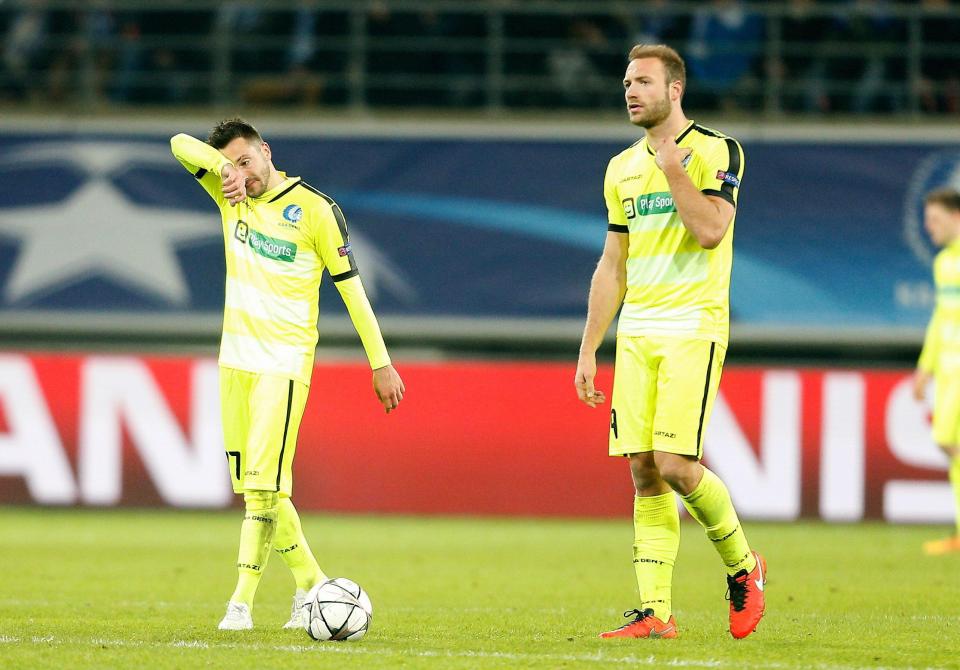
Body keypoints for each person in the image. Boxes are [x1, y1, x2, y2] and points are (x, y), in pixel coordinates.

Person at [169, 118, 405, 631]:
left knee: (261, 489)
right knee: (264, 490)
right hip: (234, 363)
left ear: (266, 151)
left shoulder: (316, 211)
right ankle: (311, 586)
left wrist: (380, 361)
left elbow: (352, 290)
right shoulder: (229, 194)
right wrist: (222, 170)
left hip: (283, 364)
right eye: (232, 166)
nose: (241, 175)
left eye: (246, 162)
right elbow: (178, 144)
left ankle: (240, 605)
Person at [574, 44, 765, 640]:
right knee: (643, 470)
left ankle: (743, 565)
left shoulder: (716, 150)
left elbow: (710, 231)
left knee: (678, 466)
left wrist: (673, 167)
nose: (631, 91)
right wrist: (589, 346)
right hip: (637, 334)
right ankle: (656, 612)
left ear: (675, 89)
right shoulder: (619, 169)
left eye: (644, 82)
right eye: (627, 82)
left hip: (693, 327)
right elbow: (613, 264)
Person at [913, 188, 960, 556]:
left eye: (935, 219)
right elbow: (941, 317)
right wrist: (925, 367)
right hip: (947, 369)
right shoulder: (944, 262)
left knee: (946, 439)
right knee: (949, 443)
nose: (929, 227)